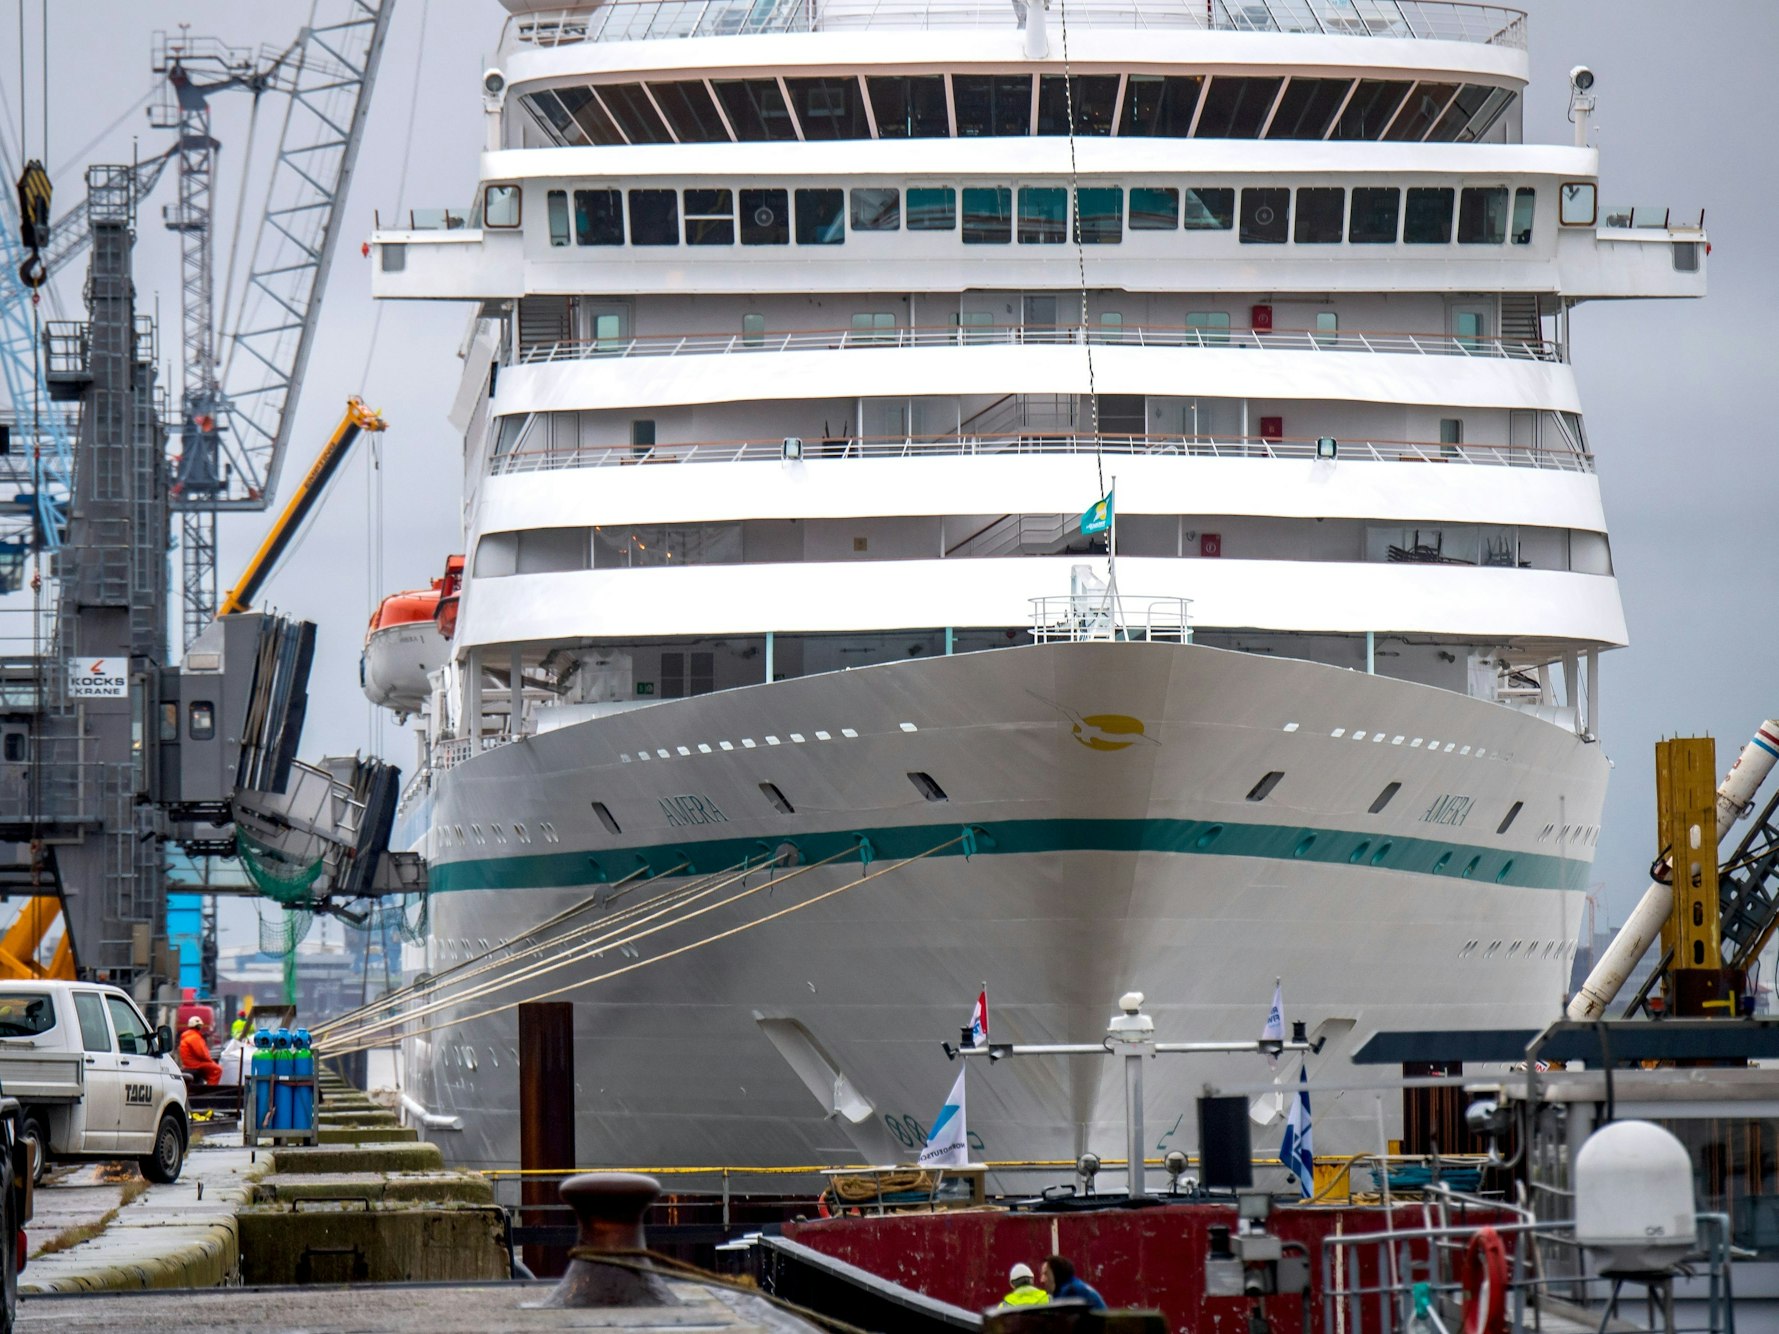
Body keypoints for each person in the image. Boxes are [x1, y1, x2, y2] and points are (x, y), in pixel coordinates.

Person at [1041, 1256, 1106, 1309]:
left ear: (1057, 1274)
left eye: (1046, 1274)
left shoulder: (1071, 1292)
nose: (1042, 1280)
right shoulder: (1075, 1286)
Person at [178, 1015, 222, 1085]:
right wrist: (210, 1061)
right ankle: (210, 1088)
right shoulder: (194, 1037)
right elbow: (202, 1054)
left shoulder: (188, 1036)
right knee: (217, 1069)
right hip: (195, 1064)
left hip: (190, 1063)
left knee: (211, 1069)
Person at [218, 1018, 249, 1086]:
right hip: (243, 1040)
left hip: (238, 1039)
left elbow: (233, 1031)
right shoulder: (249, 1023)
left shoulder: (235, 1023)